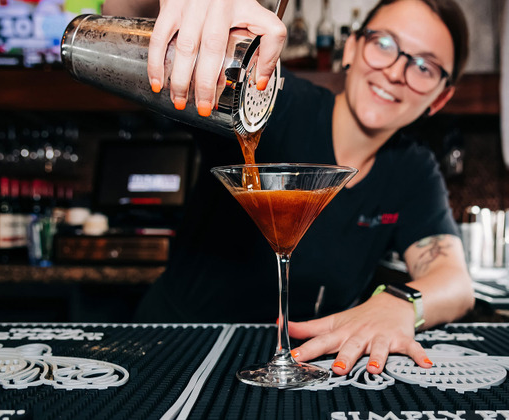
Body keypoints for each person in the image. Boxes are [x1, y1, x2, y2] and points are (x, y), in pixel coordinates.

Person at [102, 0, 475, 376]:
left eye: (424, 66)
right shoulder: (266, 95)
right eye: (384, 44)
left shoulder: (412, 170)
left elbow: (455, 282)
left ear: (440, 97)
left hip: (299, 370)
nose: (395, 72)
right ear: (351, 48)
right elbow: (122, 13)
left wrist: (400, 304)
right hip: (172, 348)